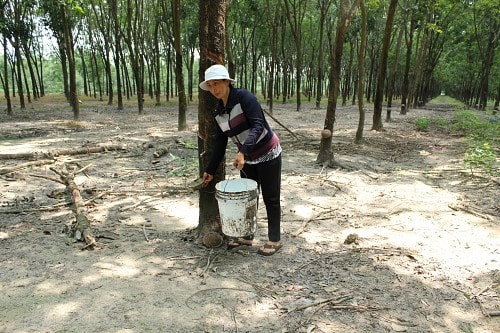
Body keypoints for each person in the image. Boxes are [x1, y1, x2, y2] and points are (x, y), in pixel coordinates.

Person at [200, 64, 283, 256]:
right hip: (247, 158)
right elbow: (221, 142)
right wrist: (210, 170)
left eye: (217, 83)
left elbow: (258, 125)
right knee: (249, 199)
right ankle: (246, 236)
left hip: (268, 152)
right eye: (210, 86)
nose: (214, 89)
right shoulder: (219, 113)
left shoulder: (244, 98)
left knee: (271, 198)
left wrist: (243, 152)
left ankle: (274, 239)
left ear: (227, 82)